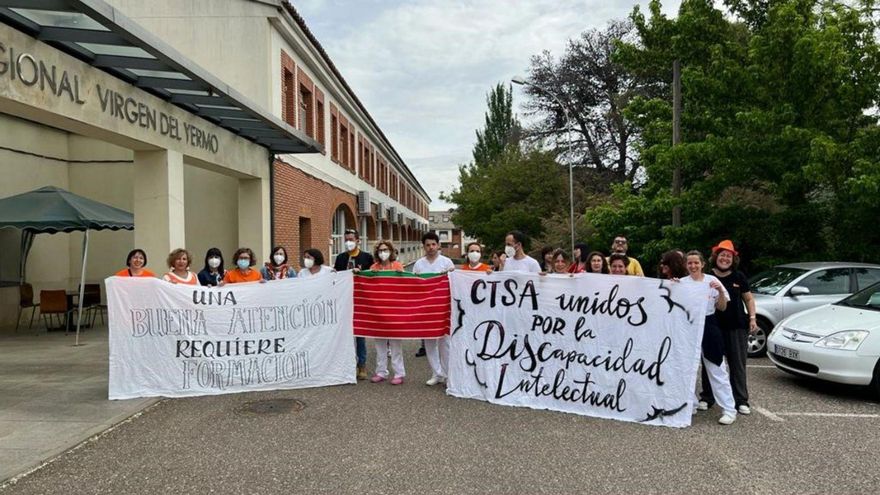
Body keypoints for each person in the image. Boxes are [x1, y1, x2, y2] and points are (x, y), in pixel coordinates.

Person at [700, 240, 757, 415]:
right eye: (722, 255)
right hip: (712, 326)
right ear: (715, 257)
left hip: (736, 327)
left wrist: (752, 318)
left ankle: (741, 400)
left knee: (737, 364)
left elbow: (749, 299)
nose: (725, 258)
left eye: (728, 256)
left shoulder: (739, 277)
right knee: (710, 362)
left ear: (733, 259)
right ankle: (707, 397)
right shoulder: (707, 276)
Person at [681, 250, 737, 425]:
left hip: (709, 325)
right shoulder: (682, 283)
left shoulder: (712, 281)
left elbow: (722, 307)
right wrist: (672, 286)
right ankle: (690, 404)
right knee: (687, 368)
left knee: (716, 368)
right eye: (689, 263)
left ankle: (729, 409)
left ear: (702, 264)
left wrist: (720, 291)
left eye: (696, 263)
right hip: (688, 326)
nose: (693, 266)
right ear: (686, 265)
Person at [412, 232, 455, 386]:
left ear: (438, 245)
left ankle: (448, 374)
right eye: (427, 245)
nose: (431, 247)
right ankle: (436, 373)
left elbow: (454, 283)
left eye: (433, 244)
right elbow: (414, 286)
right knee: (430, 343)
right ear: (423, 247)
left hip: (443, 308)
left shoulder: (447, 262)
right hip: (426, 309)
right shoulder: (419, 264)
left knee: (445, 342)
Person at [333, 228, 374, 380]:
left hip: (361, 300)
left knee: (360, 334)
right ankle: (348, 364)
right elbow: (336, 276)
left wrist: (362, 273)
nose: (349, 242)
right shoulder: (341, 258)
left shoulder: (366, 257)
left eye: (351, 239)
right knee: (345, 334)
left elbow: (372, 276)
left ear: (358, 240)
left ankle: (362, 364)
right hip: (345, 300)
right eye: (346, 240)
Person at [367, 240, 406, 385]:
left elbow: (404, 286)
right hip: (378, 311)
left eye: (385, 249)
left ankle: (399, 373)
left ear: (391, 251)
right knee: (380, 344)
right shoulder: (374, 267)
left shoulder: (397, 266)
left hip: (394, 310)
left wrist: (401, 275)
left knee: (396, 344)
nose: (383, 252)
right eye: (380, 250)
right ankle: (381, 372)